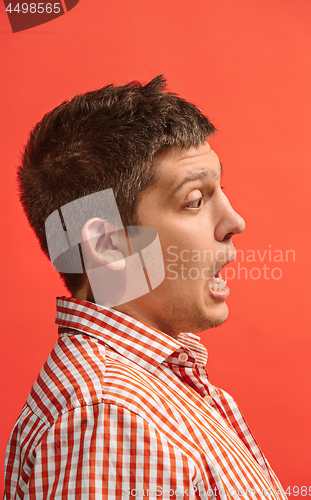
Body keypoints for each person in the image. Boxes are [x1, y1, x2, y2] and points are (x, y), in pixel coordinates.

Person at [4, 76, 287, 499]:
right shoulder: (111, 419)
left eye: (220, 191)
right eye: (194, 200)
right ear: (108, 244)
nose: (234, 222)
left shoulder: (151, 391)